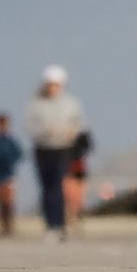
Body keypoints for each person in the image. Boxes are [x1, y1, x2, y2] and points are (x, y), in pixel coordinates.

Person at [25, 65, 86, 240]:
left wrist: (69, 132)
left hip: (62, 149)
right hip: (43, 149)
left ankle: (60, 225)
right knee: (46, 187)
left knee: (58, 187)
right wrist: (47, 131)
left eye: (56, 84)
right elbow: (30, 127)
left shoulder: (71, 103)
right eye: (50, 84)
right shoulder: (36, 104)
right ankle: (50, 225)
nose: (52, 88)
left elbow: (79, 125)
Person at [63, 129, 93, 226]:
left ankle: (77, 218)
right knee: (68, 196)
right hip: (66, 169)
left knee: (78, 197)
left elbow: (89, 146)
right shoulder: (61, 135)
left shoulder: (81, 135)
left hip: (78, 169)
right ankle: (70, 218)